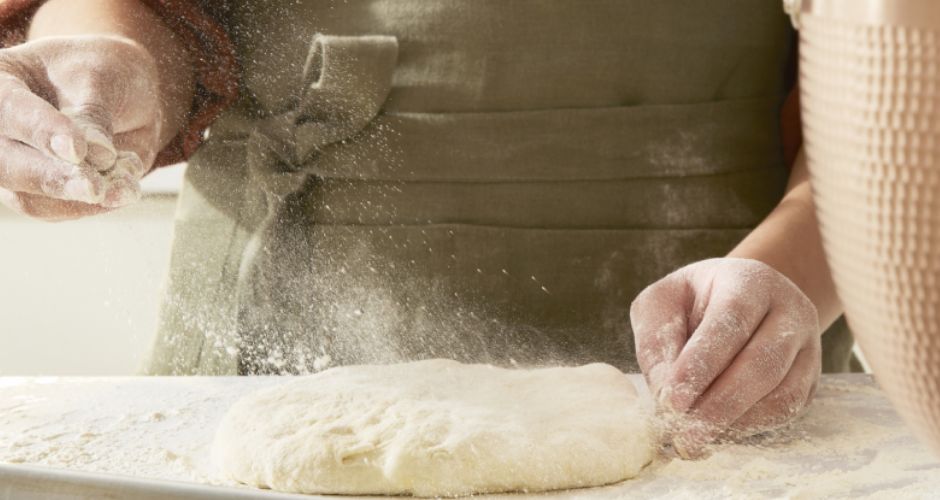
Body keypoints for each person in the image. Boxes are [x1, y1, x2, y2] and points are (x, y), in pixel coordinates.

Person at [0, 0, 860, 457]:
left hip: (709, 365)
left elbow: (895, 96)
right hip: (253, 356)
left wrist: (792, 270)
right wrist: (107, 58)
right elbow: (134, 6)